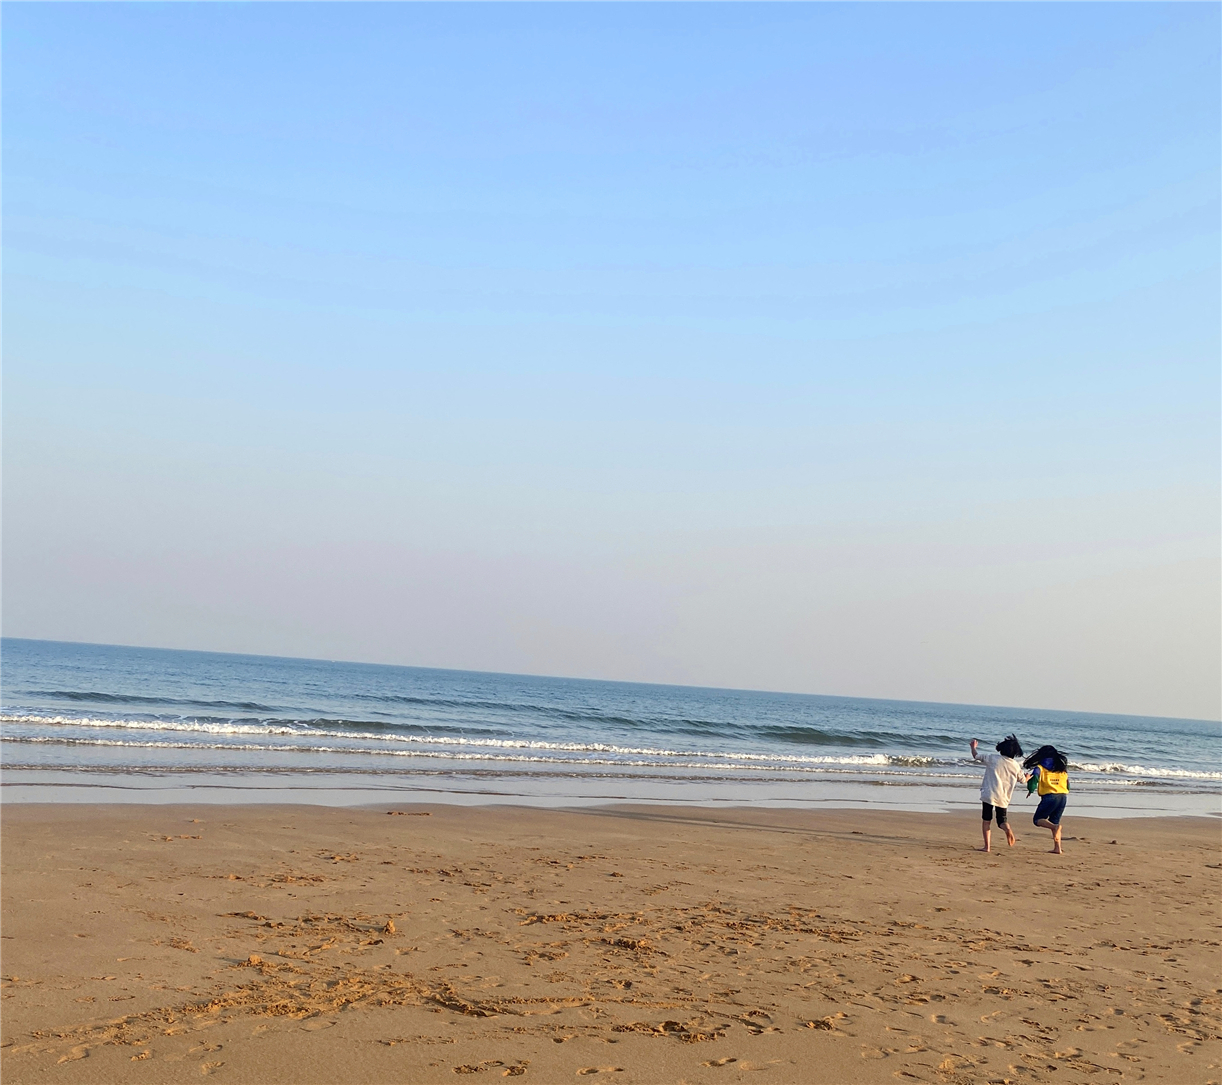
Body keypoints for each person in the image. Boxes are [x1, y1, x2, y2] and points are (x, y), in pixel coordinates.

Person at [970, 734, 1026, 852]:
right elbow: (1023, 780)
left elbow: (976, 756)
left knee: (986, 820)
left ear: (1001, 749)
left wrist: (973, 747)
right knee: (1002, 820)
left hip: (989, 795)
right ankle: (1007, 829)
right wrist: (1029, 777)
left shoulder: (992, 758)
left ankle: (987, 847)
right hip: (1003, 797)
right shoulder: (1015, 765)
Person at [1023, 746, 1070, 854]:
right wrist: (1066, 790)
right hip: (1063, 796)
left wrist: (1030, 790)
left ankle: (1055, 827)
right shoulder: (1061, 768)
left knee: (1038, 819)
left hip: (1050, 796)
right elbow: (1067, 782)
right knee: (1055, 821)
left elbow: (1034, 779)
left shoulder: (1040, 768)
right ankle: (1057, 848)